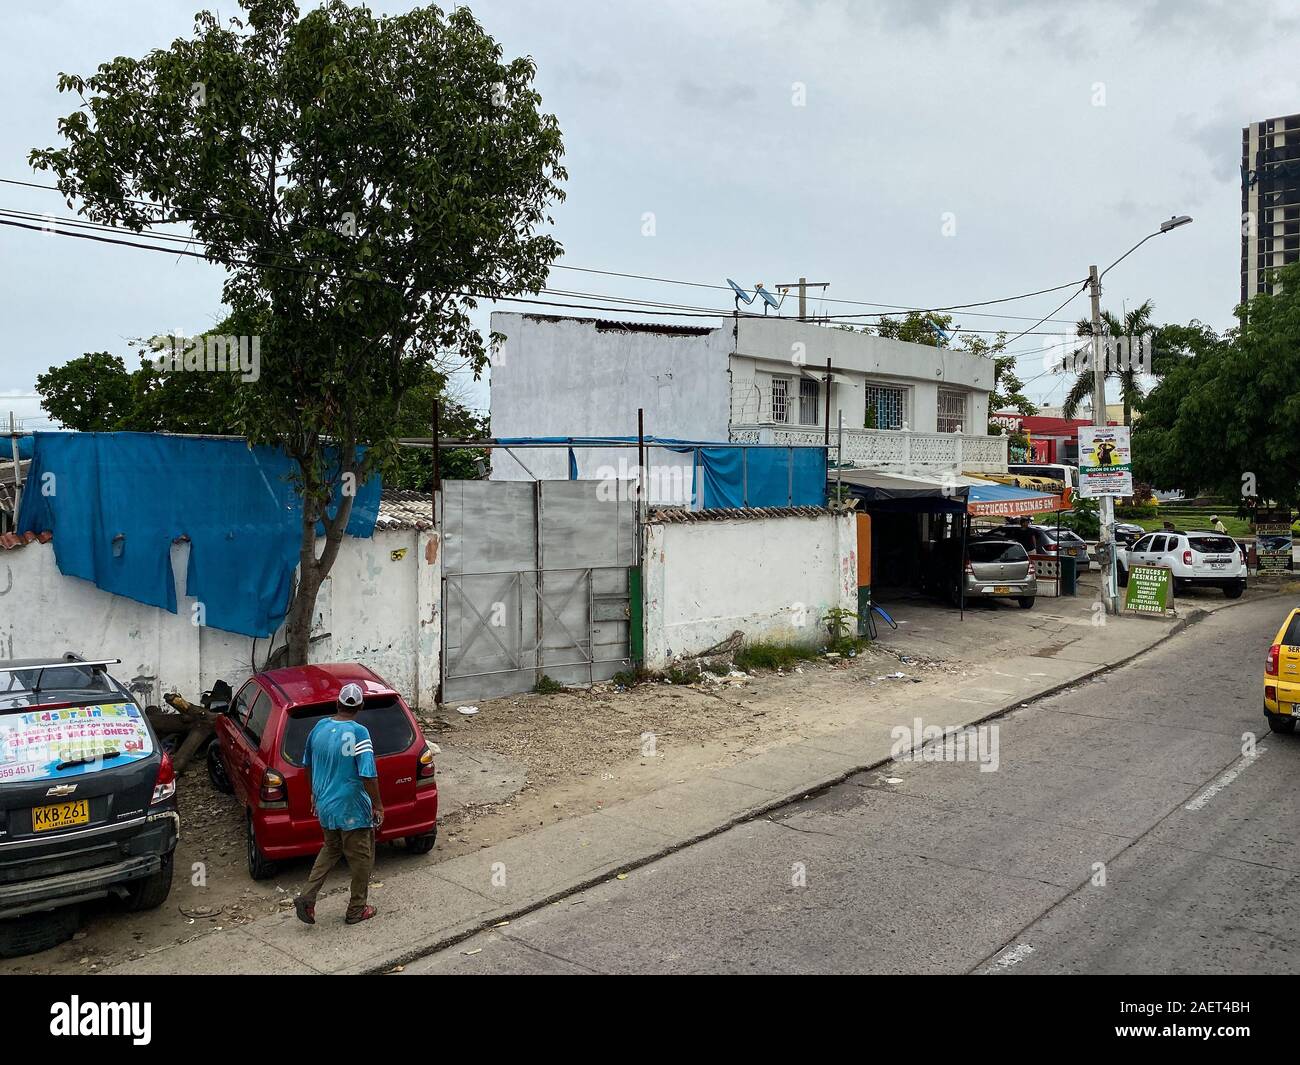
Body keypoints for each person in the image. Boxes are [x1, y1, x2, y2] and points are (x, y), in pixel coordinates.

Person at [294, 682, 384, 926]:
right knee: (362, 859)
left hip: (325, 805)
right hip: (352, 807)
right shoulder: (359, 732)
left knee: (331, 848)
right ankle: (357, 909)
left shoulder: (320, 726)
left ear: (337, 703)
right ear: (361, 706)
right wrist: (377, 805)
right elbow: (368, 774)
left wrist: (314, 792)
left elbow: (307, 764)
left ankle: (308, 897)